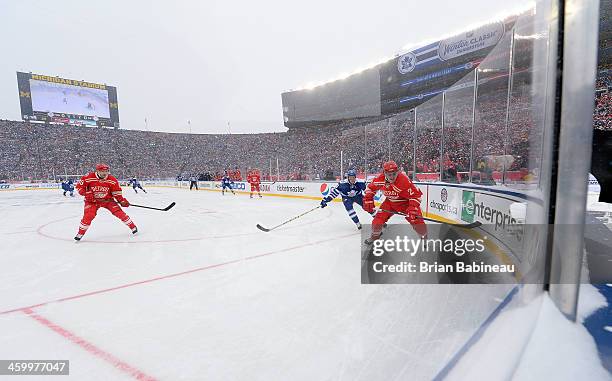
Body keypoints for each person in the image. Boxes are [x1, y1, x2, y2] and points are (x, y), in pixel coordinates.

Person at [363, 160, 427, 244]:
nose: (392, 177)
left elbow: (416, 195)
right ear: (384, 173)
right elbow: (370, 188)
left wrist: (412, 208)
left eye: (394, 174)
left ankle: (424, 237)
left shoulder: (404, 180)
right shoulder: (380, 179)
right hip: (390, 203)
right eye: (389, 174)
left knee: (417, 221)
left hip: (406, 203)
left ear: (397, 172)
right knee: (377, 221)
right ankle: (375, 236)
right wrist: (368, 199)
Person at [74, 163, 137, 241]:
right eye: (102, 171)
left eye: (106, 171)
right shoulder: (88, 177)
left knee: (119, 212)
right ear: (97, 171)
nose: (105, 173)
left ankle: (133, 226)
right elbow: (79, 187)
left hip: (108, 200)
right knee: (89, 216)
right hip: (92, 201)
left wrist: (122, 201)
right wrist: (87, 194)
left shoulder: (112, 180)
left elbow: (116, 192)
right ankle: (80, 233)